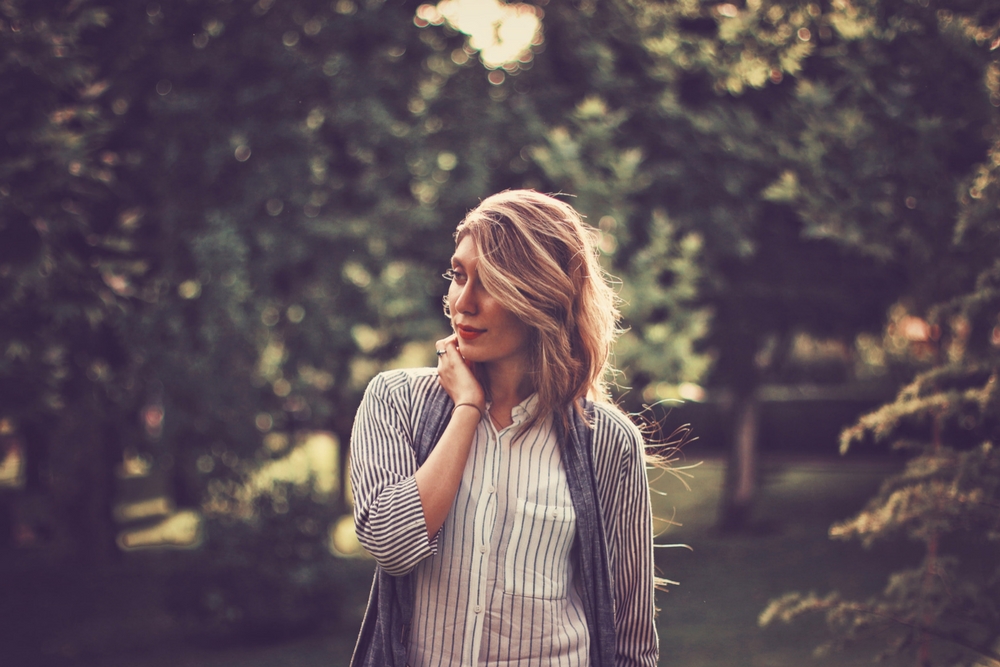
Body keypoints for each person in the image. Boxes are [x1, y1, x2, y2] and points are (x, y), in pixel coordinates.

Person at [349, 190, 659, 667]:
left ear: (543, 296)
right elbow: (392, 545)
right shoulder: (396, 401)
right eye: (458, 276)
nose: (462, 302)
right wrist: (467, 409)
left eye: (490, 282)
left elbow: (631, 641)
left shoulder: (608, 441)